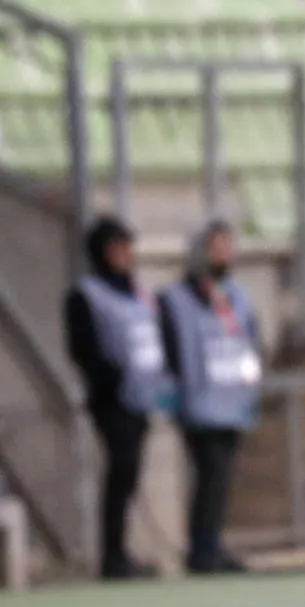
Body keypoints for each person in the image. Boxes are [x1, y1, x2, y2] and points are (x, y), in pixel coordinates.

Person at [64, 214, 168, 581]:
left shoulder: (136, 291)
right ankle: (113, 556)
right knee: (120, 471)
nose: (124, 254)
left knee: (129, 474)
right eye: (117, 247)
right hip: (114, 400)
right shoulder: (86, 294)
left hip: (141, 397)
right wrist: (113, 379)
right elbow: (83, 349)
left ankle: (122, 552)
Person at [157, 220, 259, 575]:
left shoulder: (236, 296)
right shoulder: (177, 298)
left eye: (228, 246)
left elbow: (250, 340)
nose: (224, 254)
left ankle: (210, 543)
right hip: (199, 402)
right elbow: (170, 348)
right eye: (217, 246)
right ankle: (201, 549)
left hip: (232, 399)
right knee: (209, 473)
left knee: (221, 478)